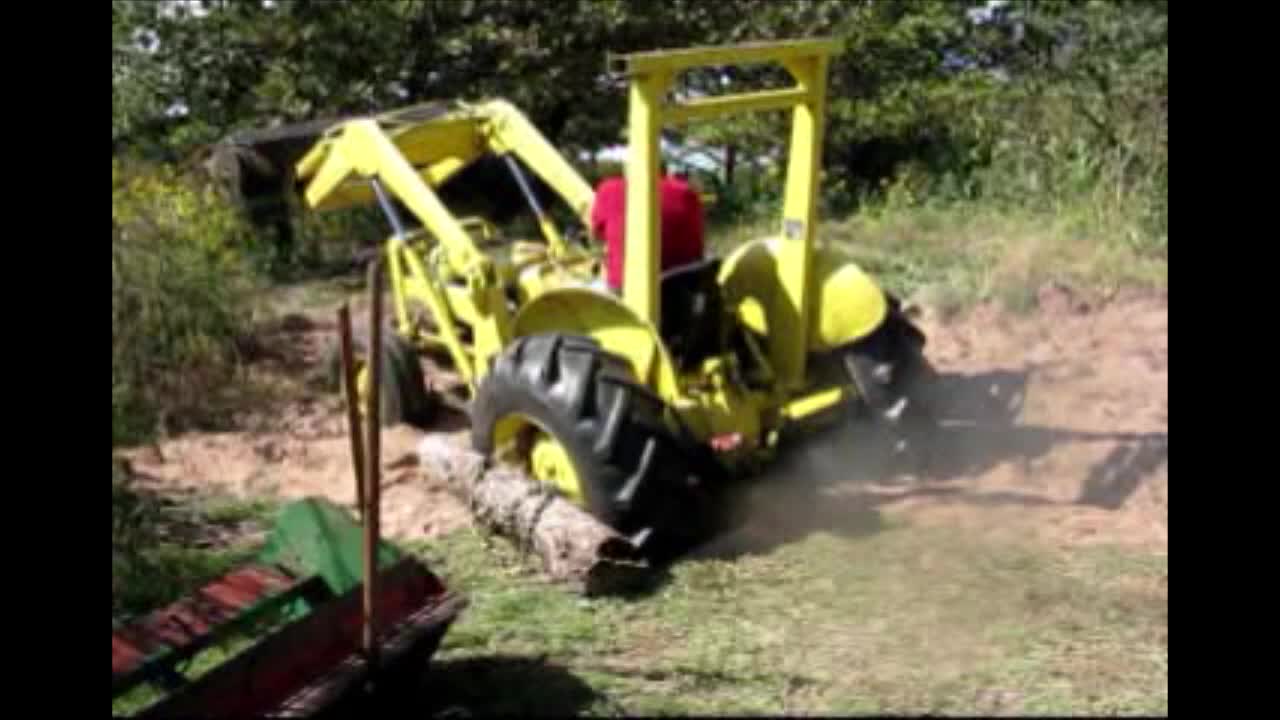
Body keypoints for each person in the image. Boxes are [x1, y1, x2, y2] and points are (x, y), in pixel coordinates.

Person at [589, 164, 705, 293]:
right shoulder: (686, 192)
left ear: (627, 171)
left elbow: (597, 235)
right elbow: (697, 244)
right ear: (665, 172)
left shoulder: (608, 189)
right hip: (681, 291)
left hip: (624, 291)